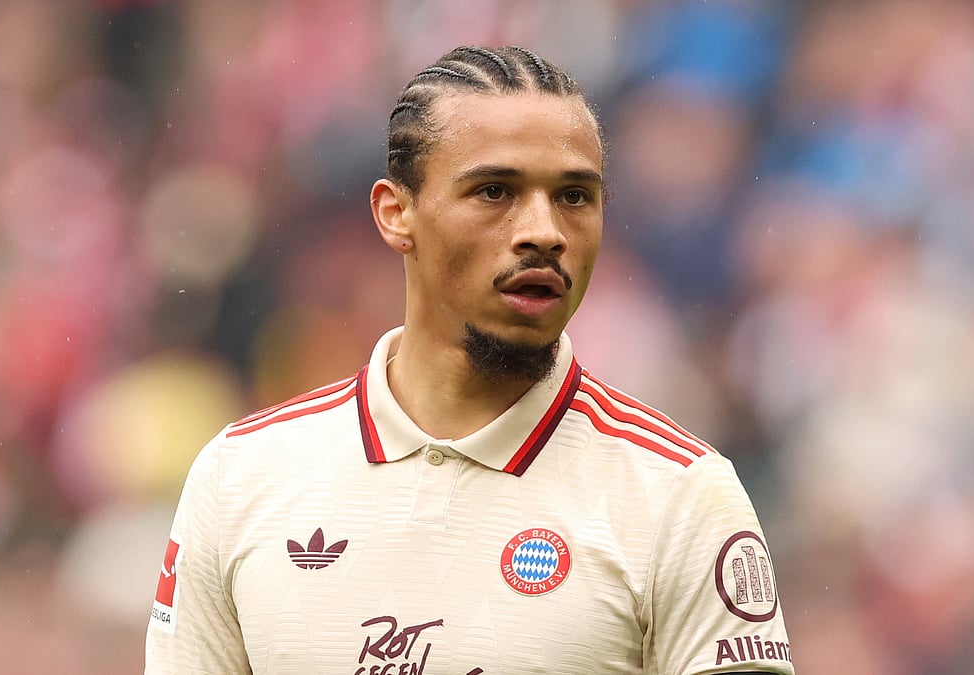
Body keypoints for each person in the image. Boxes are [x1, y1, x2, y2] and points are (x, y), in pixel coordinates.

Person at [145, 45, 794, 674]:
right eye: (494, 191)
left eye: (574, 195)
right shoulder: (239, 478)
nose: (544, 229)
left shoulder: (679, 495)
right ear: (396, 213)